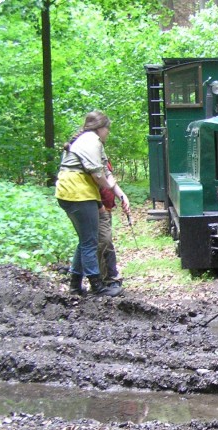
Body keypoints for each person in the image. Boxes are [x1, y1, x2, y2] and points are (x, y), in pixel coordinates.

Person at [55, 110, 126, 297]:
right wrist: (109, 187)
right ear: (100, 128)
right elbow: (98, 175)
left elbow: (104, 171)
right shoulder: (91, 141)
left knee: (85, 240)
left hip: (72, 191)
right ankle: (97, 287)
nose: (108, 133)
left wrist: (120, 194)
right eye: (107, 129)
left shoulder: (93, 142)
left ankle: (75, 285)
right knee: (90, 242)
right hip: (77, 192)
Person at [97, 159, 129, 290]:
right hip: (99, 208)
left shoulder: (102, 158)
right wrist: (100, 206)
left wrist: (122, 196)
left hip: (106, 208)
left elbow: (110, 181)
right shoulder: (90, 157)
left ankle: (112, 276)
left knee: (107, 242)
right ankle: (105, 280)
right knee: (103, 242)